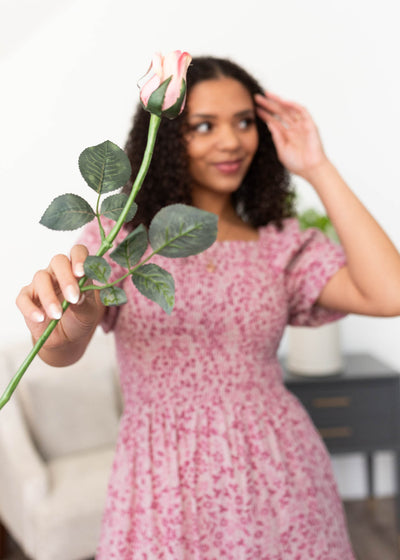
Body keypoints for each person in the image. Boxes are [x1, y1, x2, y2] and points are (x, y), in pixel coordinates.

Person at [17, 56, 400, 559]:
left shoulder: (281, 243)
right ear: (169, 139)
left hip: (281, 469)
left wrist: (316, 167)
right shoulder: (122, 239)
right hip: (164, 481)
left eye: (244, 122)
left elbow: (389, 292)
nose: (232, 140)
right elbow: (60, 350)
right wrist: (76, 317)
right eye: (203, 125)